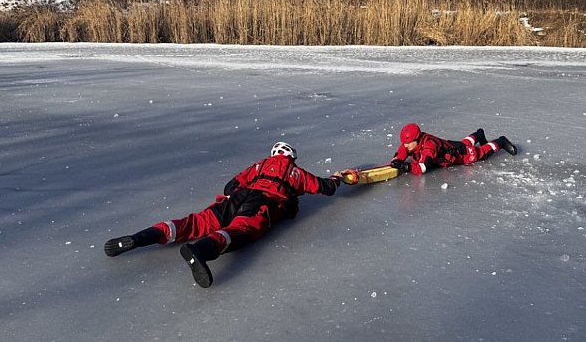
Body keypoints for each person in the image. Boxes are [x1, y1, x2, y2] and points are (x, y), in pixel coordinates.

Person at [104, 142, 343, 288]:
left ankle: (139, 238)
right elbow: (326, 188)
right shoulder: (294, 172)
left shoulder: (259, 166)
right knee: (239, 230)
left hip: (237, 197)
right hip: (261, 204)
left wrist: (238, 195)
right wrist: (338, 177)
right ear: (290, 156)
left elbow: (231, 186)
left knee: (193, 222)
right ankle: (200, 251)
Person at [390, 123, 517, 175]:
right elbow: (403, 150)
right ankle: (478, 134)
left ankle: (500, 142)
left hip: (457, 155)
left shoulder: (429, 148)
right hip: (449, 146)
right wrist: (397, 159)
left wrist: (407, 167)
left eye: (408, 143)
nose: (405, 145)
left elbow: (422, 167)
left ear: (416, 140)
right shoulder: (412, 143)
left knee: (478, 154)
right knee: (463, 143)